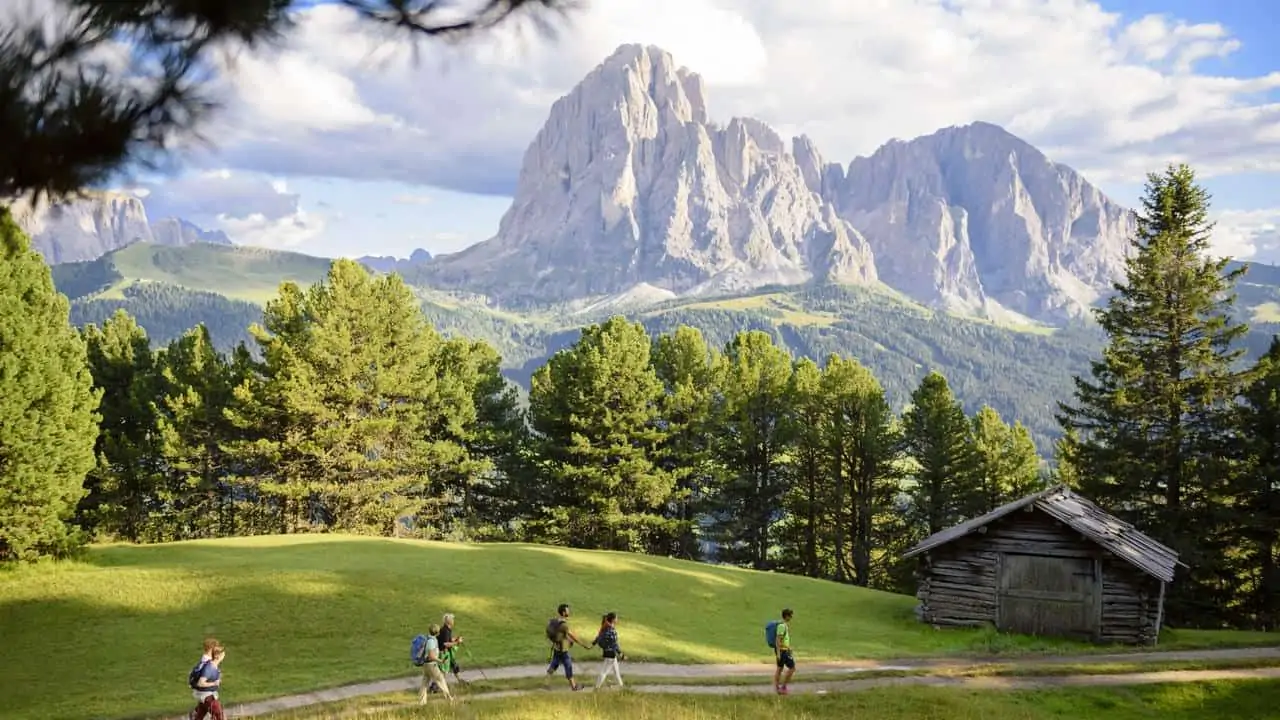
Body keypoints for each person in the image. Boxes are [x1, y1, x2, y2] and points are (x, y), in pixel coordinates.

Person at [546, 603, 589, 691]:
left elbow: (564, 635)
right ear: (563, 612)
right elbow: (571, 635)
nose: (569, 612)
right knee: (568, 666)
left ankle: (546, 683)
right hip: (563, 650)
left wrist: (569, 641)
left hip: (556, 648)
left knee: (554, 664)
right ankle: (574, 687)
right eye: (567, 611)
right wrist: (582, 644)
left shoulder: (556, 621)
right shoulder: (564, 625)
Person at [418, 624, 453, 704]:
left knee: (424, 683)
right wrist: (440, 661)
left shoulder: (429, 639)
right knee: (441, 680)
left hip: (426, 665)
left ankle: (422, 702)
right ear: (437, 632)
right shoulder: (431, 642)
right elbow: (431, 656)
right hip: (431, 665)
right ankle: (449, 699)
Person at [189, 645, 226, 720]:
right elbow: (200, 683)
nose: (224, 656)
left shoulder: (214, 666)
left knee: (199, 717)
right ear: (217, 656)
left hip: (207, 697)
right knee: (220, 715)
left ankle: (194, 714)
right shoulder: (210, 668)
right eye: (222, 654)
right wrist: (214, 683)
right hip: (207, 697)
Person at [433, 613, 466, 690]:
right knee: (443, 671)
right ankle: (434, 686)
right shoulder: (445, 631)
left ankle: (460, 681)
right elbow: (446, 644)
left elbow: (448, 640)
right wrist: (457, 642)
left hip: (448, 652)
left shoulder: (447, 629)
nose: (453, 621)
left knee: (454, 666)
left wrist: (456, 639)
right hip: (444, 653)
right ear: (449, 621)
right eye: (452, 619)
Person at [593, 612, 625, 690]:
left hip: (607, 652)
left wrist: (594, 643)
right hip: (611, 653)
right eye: (616, 618)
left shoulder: (605, 628)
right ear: (613, 620)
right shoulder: (611, 630)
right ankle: (597, 688)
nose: (617, 620)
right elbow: (614, 644)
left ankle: (621, 686)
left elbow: (599, 637)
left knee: (616, 671)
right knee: (604, 672)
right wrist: (621, 654)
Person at [773, 608, 795, 695]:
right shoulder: (782, 626)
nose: (791, 618)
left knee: (780, 669)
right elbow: (778, 640)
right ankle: (783, 687)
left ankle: (778, 688)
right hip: (782, 651)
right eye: (790, 616)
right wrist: (779, 653)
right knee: (792, 668)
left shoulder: (783, 625)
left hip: (783, 650)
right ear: (786, 616)